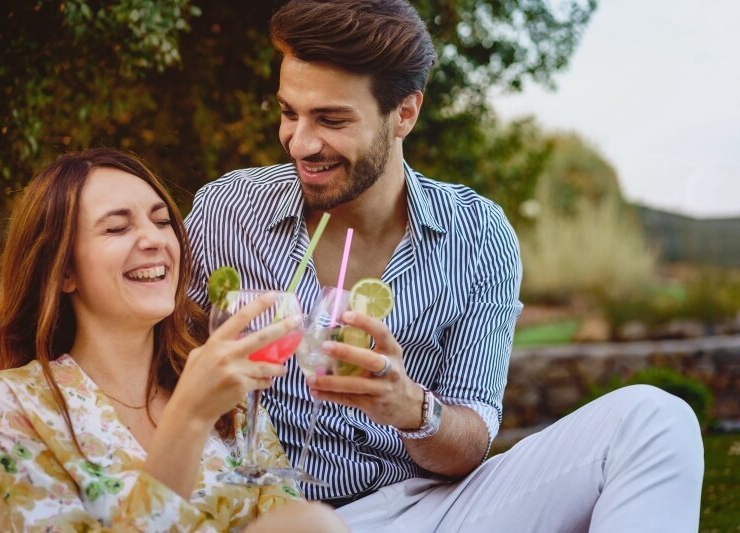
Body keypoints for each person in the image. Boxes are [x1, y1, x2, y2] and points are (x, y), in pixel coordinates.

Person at [184, 0, 704, 531]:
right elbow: (151, 367)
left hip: (422, 509)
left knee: (654, 419)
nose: (301, 142)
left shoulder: (477, 236)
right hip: (266, 510)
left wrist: (410, 407)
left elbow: (469, 445)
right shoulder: (228, 213)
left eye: (332, 119)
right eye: (289, 112)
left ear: (404, 113)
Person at [0, 149, 347, 532]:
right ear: (64, 272)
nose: (154, 240)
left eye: (162, 222)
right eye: (117, 227)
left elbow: (288, 514)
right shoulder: (9, 405)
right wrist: (187, 419)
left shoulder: (227, 400)